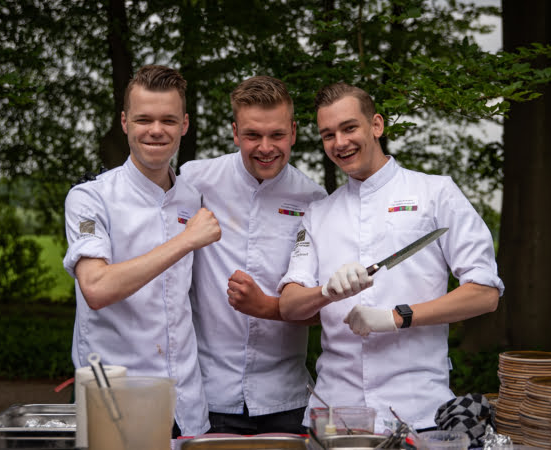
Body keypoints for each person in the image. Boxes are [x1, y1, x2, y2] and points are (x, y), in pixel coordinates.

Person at [277, 82, 504, 432]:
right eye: (328, 134)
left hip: (419, 411)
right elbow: (289, 306)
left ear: (376, 125)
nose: (340, 142)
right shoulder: (318, 213)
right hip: (335, 415)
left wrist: (398, 317)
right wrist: (326, 292)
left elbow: (485, 292)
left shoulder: (435, 193)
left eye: (349, 127)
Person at [63, 65, 220, 437]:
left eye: (168, 119)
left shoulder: (192, 197)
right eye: (143, 119)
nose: (156, 130)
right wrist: (185, 240)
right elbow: (97, 288)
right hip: (117, 404)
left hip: (187, 404)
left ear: (184, 124)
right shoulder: (90, 198)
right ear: (124, 123)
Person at [179, 76, 327, 434]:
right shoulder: (194, 181)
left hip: (287, 398)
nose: (265, 147)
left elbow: (327, 310)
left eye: (276, 135)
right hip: (207, 394)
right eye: (252, 135)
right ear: (234, 132)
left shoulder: (315, 200)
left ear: (293, 132)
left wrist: (271, 305)